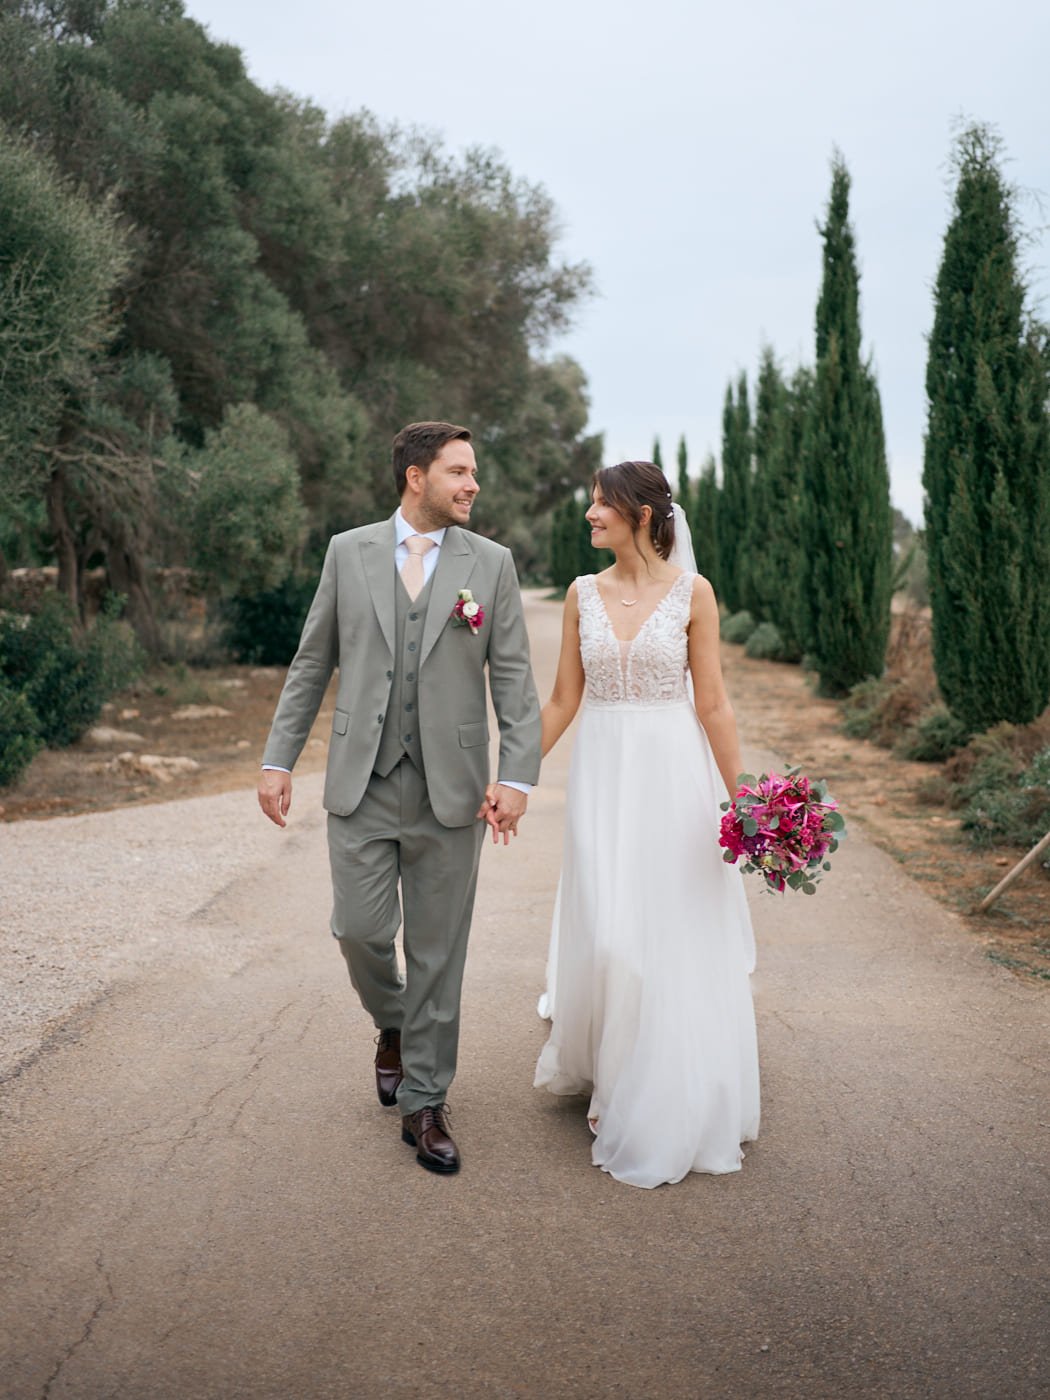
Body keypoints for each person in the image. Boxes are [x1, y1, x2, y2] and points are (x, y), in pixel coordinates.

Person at [258, 421, 541, 1175]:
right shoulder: (348, 552)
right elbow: (311, 660)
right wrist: (277, 758)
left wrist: (516, 778)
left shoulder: (493, 564)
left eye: (473, 471)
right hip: (361, 781)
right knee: (358, 927)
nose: (473, 483)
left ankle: (425, 1103)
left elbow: (512, 678)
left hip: (453, 791)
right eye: (459, 471)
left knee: (439, 954)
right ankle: (393, 1023)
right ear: (416, 477)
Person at [534, 460, 760, 1188]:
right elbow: (564, 700)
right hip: (603, 776)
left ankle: (633, 1084)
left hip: (671, 777)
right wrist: (509, 773)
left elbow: (714, 704)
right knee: (605, 927)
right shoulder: (580, 594)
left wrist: (749, 802)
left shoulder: (693, 594)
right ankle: (611, 1060)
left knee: (658, 932)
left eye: (602, 505)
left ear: (640, 514)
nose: (590, 514)